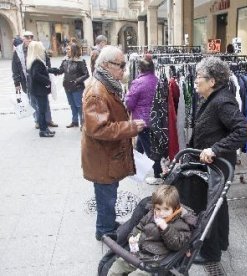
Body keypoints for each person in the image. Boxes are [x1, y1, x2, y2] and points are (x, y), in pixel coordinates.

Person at [190, 57, 247, 263]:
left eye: (199, 77)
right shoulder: (212, 98)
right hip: (213, 163)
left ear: (212, 81)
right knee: (218, 204)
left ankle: (211, 253)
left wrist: (215, 149)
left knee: (211, 206)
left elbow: (243, 130)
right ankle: (221, 242)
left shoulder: (222, 101)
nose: (195, 81)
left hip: (218, 164)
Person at [81, 45, 146, 241]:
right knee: (106, 197)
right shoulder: (97, 92)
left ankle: (107, 225)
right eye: (121, 65)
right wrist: (131, 127)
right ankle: (105, 232)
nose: (124, 70)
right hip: (103, 159)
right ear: (107, 65)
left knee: (108, 195)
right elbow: (98, 129)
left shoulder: (106, 84)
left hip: (106, 156)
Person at [107, 185, 197, 276]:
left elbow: (177, 245)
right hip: (138, 253)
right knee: (117, 265)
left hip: (154, 261)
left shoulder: (182, 224)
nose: (161, 213)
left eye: (166, 209)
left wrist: (166, 228)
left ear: (175, 209)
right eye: (158, 209)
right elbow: (139, 227)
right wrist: (133, 236)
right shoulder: (151, 214)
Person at [124, 55, 162, 185]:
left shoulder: (138, 82)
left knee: (150, 149)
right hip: (155, 119)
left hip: (142, 121)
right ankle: (133, 167)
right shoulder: (157, 80)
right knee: (141, 144)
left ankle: (158, 174)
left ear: (139, 69)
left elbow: (129, 103)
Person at [12, 30, 58, 129]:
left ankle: (48, 120)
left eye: (31, 37)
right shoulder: (18, 51)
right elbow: (15, 68)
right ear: (22, 38)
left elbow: (46, 61)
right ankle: (38, 121)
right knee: (33, 102)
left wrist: (47, 73)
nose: (29, 39)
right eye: (27, 37)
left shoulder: (37, 46)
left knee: (44, 101)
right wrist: (17, 83)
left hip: (39, 79)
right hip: (27, 80)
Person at [49, 42, 89, 128]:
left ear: (73, 50)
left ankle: (83, 123)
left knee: (79, 105)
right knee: (72, 105)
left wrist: (76, 81)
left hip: (77, 87)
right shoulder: (65, 60)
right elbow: (60, 71)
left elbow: (86, 74)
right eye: (66, 49)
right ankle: (74, 121)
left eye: (68, 49)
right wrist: (50, 70)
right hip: (67, 86)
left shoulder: (80, 61)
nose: (66, 50)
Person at [27, 41, 55, 138]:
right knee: (42, 111)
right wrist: (47, 81)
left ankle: (45, 129)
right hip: (40, 90)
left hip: (38, 90)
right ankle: (43, 130)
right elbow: (36, 75)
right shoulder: (37, 61)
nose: (44, 50)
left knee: (42, 110)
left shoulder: (34, 61)